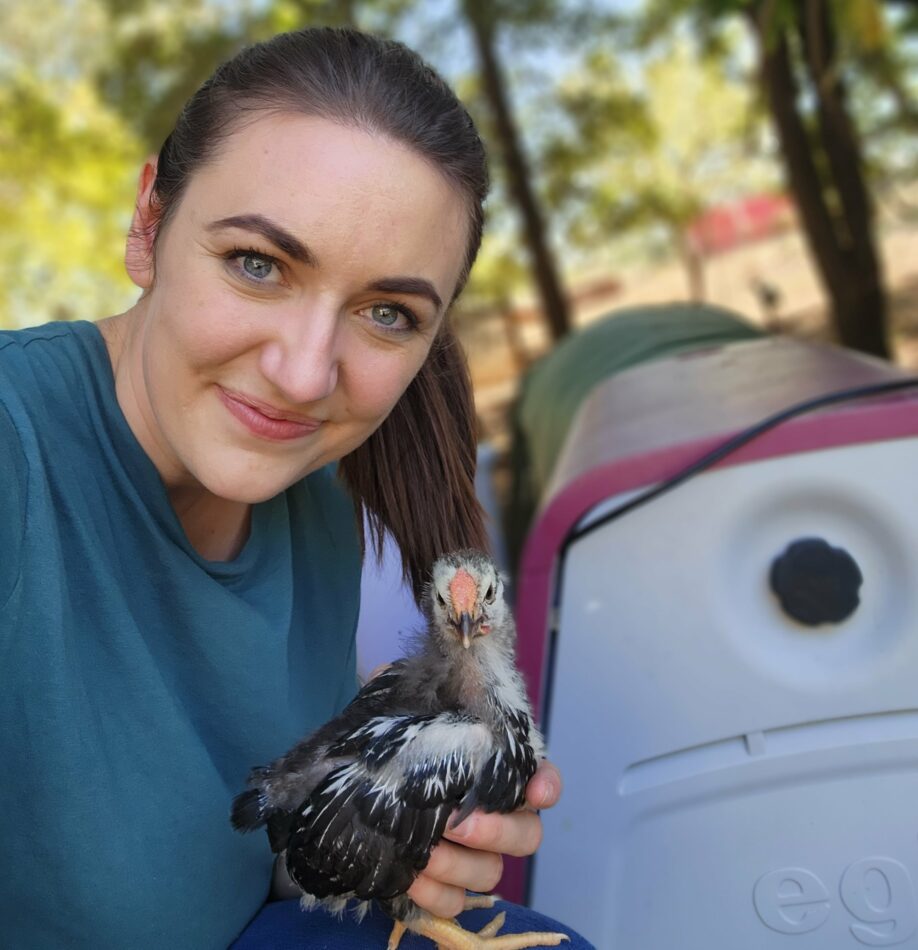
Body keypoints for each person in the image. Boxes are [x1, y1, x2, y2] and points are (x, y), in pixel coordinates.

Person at [0, 26, 590, 950]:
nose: (306, 374)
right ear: (149, 224)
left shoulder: (315, 505)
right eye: (257, 264)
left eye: (386, 314)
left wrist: (391, 835)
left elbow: (233, 863)